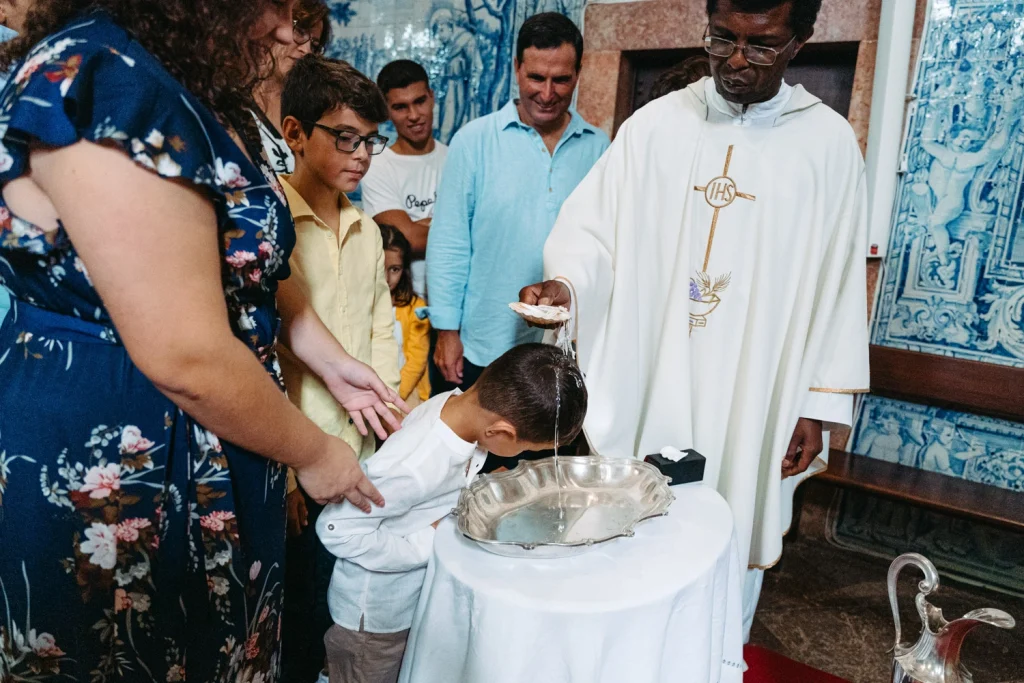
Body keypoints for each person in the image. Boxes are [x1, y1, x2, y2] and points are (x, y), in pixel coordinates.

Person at [0, 1, 401, 680]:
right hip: (121, 461)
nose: (293, 33)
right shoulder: (110, 78)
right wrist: (315, 451)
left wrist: (332, 361)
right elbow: (182, 350)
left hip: (220, 440)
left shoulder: (196, 86)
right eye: (281, 8)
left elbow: (248, 265)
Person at [520, 0, 870, 644]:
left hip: (755, 390)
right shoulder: (657, 125)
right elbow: (594, 232)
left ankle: (710, 655)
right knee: (633, 531)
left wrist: (818, 406)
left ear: (801, 40)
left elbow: (839, 281)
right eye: (722, 38)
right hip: (658, 371)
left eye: (760, 45)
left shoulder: (827, 147)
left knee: (727, 532)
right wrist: (568, 285)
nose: (736, 60)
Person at [317, 343, 588, 683]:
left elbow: (430, 495)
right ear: (501, 432)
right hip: (376, 618)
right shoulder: (417, 463)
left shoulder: (457, 410)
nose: (519, 456)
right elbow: (336, 528)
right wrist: (430, 537)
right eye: (525, 449)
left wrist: (479, 485)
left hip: (408, 598)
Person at [277, 53, 402, 682]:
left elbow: (382, 319)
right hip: (299, 447)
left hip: (360, 442)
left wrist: (385, 415)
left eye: (370, 141)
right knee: (296, 605)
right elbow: (273, 356)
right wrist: (293, 470)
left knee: (340, 589)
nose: (361, 155)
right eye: (344, 137)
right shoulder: (274, 224)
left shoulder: (365, 226)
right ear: (295, 133)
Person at [427, 12, 609, 395]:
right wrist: (446, 331)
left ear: (578, 72)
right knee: (485, 452)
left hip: (567, 345)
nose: (547, 93)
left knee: (547, 454)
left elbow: (605, 244)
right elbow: (450, 242)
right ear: (516, 69)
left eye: (561, 80)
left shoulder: (598, 147)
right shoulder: (474, 141)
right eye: (536, 78)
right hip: (486, 341)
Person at [361, 59, 447, 301]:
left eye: (420, 101)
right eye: (400, 107)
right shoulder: (376, 164)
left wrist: (419, 225)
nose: (414, 116)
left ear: (431, 97)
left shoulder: (455, 158)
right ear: (387, 111)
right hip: (400, 303)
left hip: (452, 301)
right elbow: (405, 240)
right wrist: (451, 227)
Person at [253, 0, 331, 175]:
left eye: (315, 45)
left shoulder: (310, 110)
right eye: (300, 31)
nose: (306, 50)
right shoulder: (231, 106)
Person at [380, 222, 431, 408]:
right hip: (372, 389)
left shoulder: (416, 307)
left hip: (406, 391)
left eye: (395, 269)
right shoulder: (359, 306)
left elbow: (416, 360)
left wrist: (392, 397)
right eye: (381, 268)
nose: (386, 279)